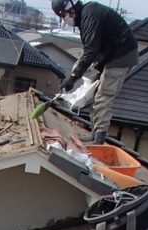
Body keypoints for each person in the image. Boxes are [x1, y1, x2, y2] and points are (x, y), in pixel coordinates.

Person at [53, 0, 139, 144]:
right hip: (114, 54)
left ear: (70, 10)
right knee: (96, 90)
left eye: (63, 16)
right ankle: (95, 133)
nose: (64, 20)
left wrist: (73, 78)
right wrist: (76, 74)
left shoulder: (89, 17)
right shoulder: (87, 15)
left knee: (104, 95)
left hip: (121, 55)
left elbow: (91, 50)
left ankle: (98, 139)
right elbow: (90, 49)